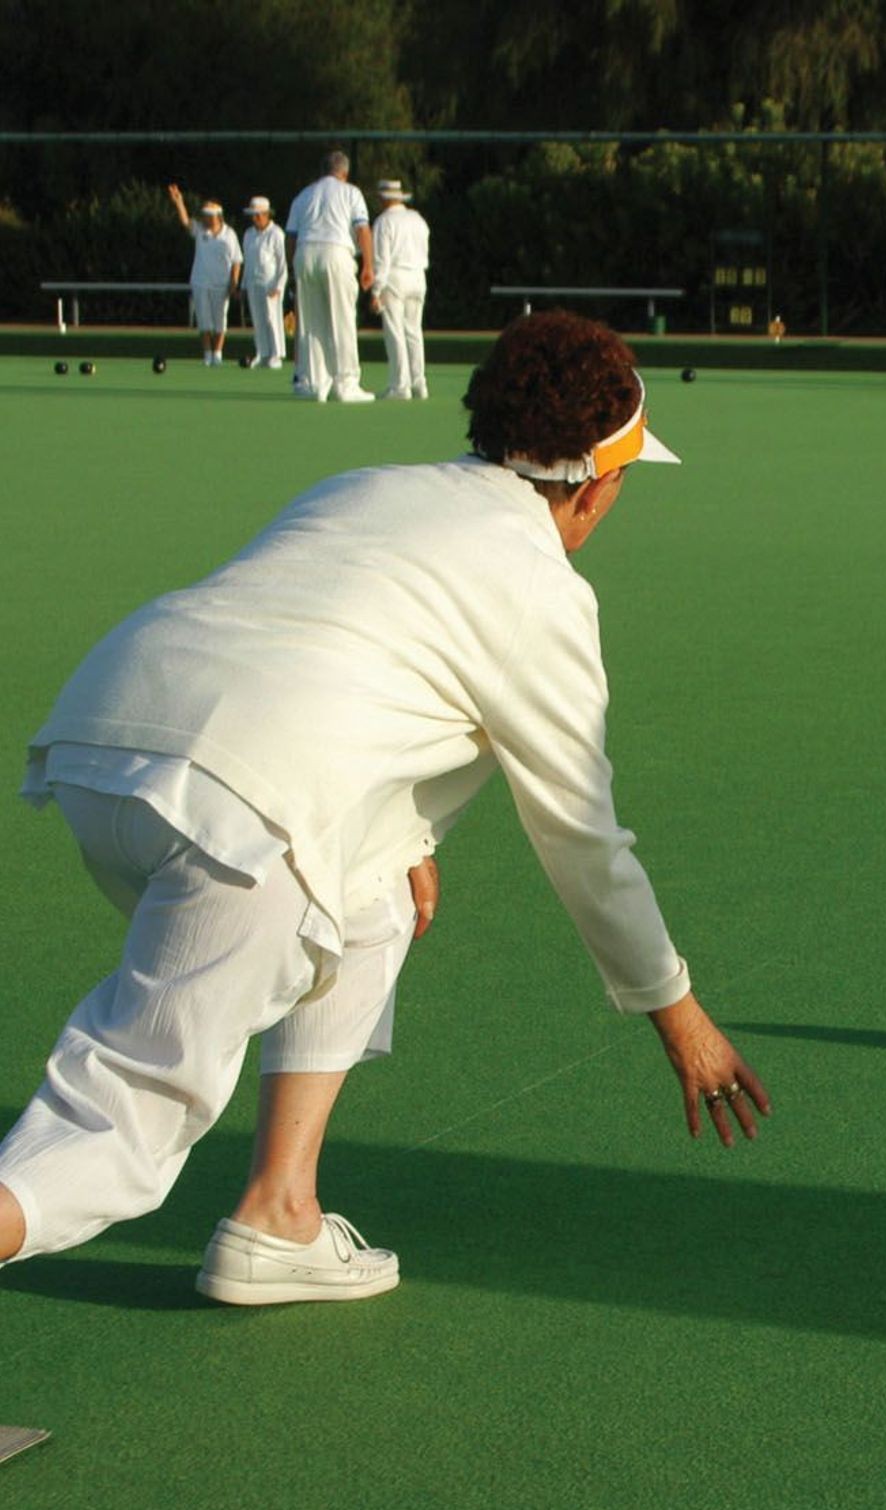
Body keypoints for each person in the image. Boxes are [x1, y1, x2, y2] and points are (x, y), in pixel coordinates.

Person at [0, 309, 771, 1304]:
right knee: (124, 1117)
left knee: (374, 897)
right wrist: (680, 1016)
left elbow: (327, 650)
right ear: (593, 483)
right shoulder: (541, 587)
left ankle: (279, 1213)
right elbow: (582, 837)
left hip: (109, 747)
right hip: (249, 817)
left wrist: (391, 829)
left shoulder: (367, 486)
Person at [284, 150, 376, 403]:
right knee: (342, 318)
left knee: (311, 322)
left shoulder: (303, 195)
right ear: (344, 173)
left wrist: (293, 268)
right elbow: (363, 230)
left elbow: (290, 236)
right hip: (336, 253)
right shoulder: (351, 192)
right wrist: (369, 265)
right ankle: (346, 384)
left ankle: (314, 383)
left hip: (305, 253)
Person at [167, 185, 241, 367]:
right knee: (204, 320)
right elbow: (185, 222)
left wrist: (234, 283)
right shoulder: (200, 230)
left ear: (217, 215)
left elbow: (236, 261)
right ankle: (207, 354)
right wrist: (179, 202)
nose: (205, 218)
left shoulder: (229, 234)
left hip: (221, 284)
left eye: (208, 214)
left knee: (220, 321)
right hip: (200, 282)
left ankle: (218, 353)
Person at [370, 179, 431, 400]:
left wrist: (376, 291)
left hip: (395, 278)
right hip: (418, 277)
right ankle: (419, 383)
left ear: (383, 199)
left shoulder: (383, 222)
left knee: (395, 332)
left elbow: (382, 260)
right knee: (414, 332)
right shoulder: (418, 219)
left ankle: (399, 386)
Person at [240, 195, 288, 369]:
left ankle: (277, 354)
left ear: (267, 214)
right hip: (253, 283)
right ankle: (262, 353)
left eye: (258, 215)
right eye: (253, 215)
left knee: (272, 318)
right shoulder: (248, 234)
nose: (254, 218)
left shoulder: (276, 234)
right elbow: (247, 260)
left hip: (270, 284)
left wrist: (279, 286)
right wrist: (243, 285)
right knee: (258, 319)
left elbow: (283, 264)